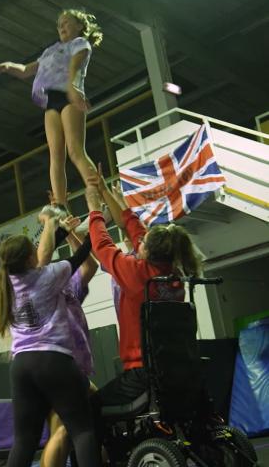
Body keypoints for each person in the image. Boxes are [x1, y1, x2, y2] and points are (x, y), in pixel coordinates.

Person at [84, 171, 202, 417]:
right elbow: (136, 232)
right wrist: (108, 193)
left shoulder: (136, 274)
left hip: (141, 372)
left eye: (143, 244)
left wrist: (94, 209)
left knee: (88, 409)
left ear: (147, 252)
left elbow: (103, 246)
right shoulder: (173, 275)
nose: (139, 243)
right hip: (174, 368)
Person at [0, 214, 101, 467]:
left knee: (24, 441)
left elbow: (44, 253)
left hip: (21, 367)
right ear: (31, 258)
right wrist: (94, 230)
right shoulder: (48, 277)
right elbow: (81, 257)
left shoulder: (9, 282)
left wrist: (60, 231)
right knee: (82, 431)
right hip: (53, 359)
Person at [0, 9, 103, 210]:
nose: (61, 27)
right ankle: (60, 205)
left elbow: (75, 66)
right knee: (55, 155)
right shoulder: (50, 51)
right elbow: (26, 70)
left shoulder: (79, 44)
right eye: (59, 24)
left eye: (66, 23)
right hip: (51, 101)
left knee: (75, 151)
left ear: (79, 26)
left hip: (69, 96)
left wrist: (73, 87)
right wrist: (9, 66)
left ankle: (99, 191)